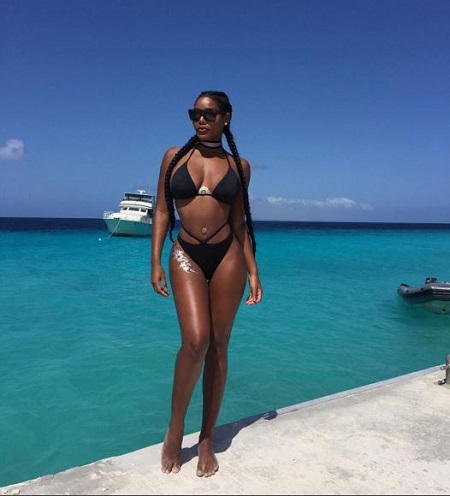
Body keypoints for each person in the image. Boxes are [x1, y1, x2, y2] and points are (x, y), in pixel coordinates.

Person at [150, 90, 263, 477]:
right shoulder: (174, 157)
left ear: (226, 117)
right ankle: (175, 429)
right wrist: (154, 260)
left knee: (218, 347)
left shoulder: (239, 166)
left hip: (228, 255)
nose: (201, 120)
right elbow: (162, 209)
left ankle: (206, 439)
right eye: (195, 113)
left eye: (209, 114)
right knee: (195, 341)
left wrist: (253, 269)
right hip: (185, 253)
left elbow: (238, 222)